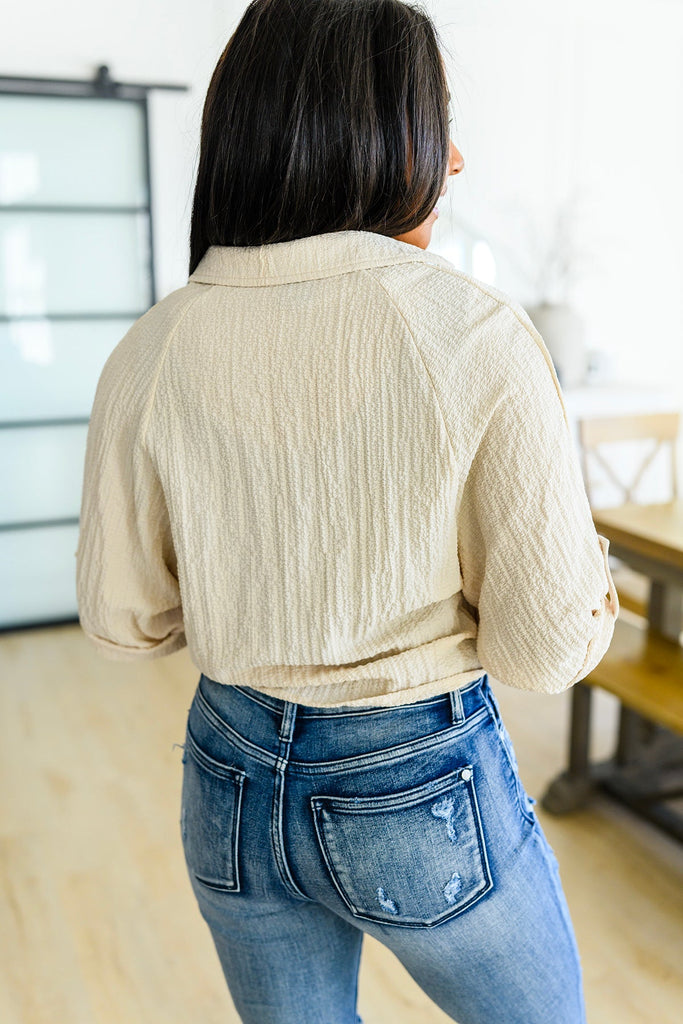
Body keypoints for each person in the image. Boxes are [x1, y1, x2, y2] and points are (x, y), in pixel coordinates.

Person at [75, 0, 619, 1021]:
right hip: (417, 783)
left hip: (226, 774)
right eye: (436, 119)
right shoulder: (474, 334)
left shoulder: (150, 346)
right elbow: (545, 651)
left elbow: (120, 618)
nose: (452, 160)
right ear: (371, 132)